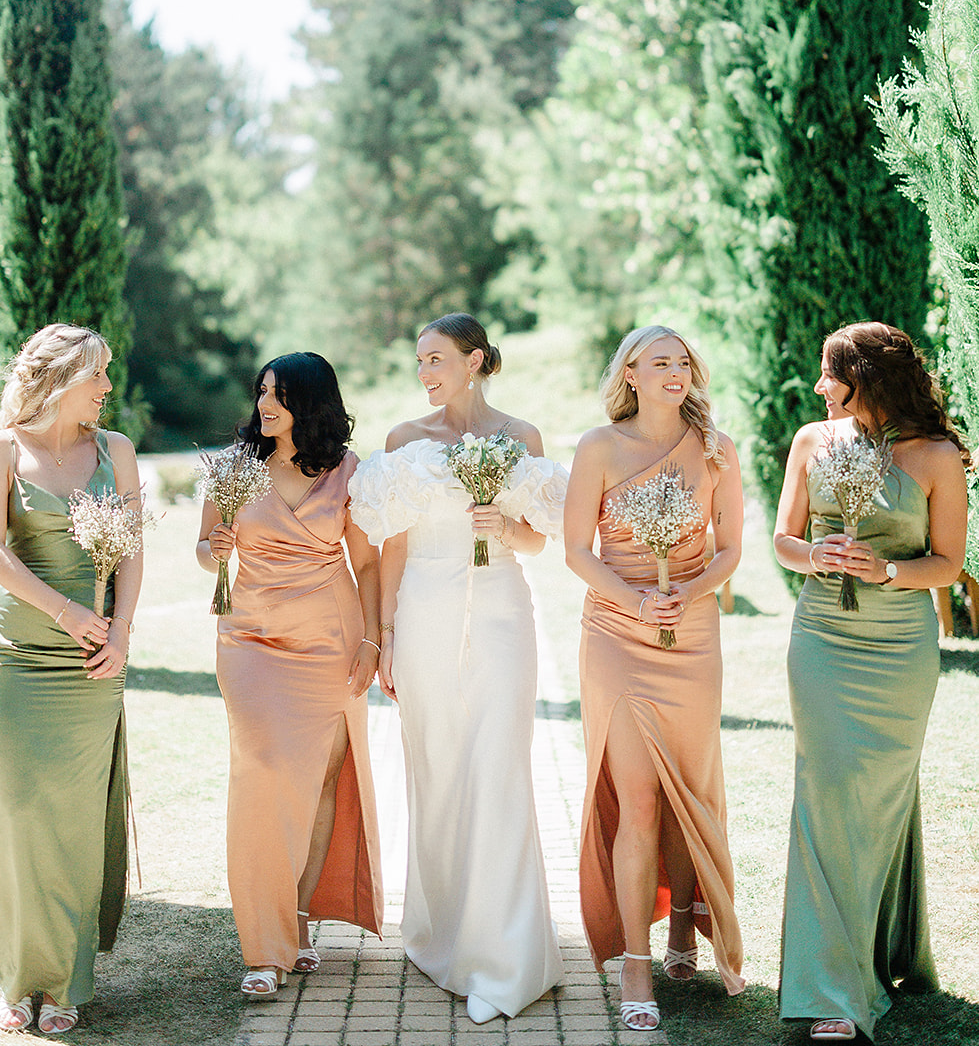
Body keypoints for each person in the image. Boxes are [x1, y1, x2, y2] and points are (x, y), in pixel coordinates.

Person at [348, 312, 566, 1025]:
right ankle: (444, 935)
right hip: (424, 616)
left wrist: (506, 529)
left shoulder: (522, 437)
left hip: (503, 610)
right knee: (437, 769)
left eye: (437, 358)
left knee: (497, 767)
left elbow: (539, 541)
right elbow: (391, 548)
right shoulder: (403, 441)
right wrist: (382, 634)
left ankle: (506, 956)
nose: (425, 373)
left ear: (474, 361)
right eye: (420, 362)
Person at [773, 321, 968, 1042]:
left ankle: (884, 952)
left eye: (829, 374)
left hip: (897, 648)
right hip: (822, 636)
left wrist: (885, 569)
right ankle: (832, 990)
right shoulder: (809, 442)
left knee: (881, 800)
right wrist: (816, 555)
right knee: (824, 794)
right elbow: (782, 541)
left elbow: (946, 562)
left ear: (865, 379)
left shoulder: (936, 455)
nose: (819, 387)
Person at [564, 324, 745, 1033]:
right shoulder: (597, 447)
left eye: (683, 361)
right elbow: (577, 550)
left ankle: (682, 934)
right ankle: (636, 958)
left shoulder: (716, 448)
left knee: (686, 789)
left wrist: (689, 592)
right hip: (616, 627)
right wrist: (635, 598)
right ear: (630, 374)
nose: (674, 371)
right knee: (639, 798)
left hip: (692, 631)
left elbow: (730, 549)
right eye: (659, 361)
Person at [197, 352, 383, 999]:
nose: (265, 404)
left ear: (312, 402)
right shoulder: (234, 467)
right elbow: (203, 548)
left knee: (320, 779)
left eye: (279, 394)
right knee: (261, 772)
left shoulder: (348, 471)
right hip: (248, 639)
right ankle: (261, 945)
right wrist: (212, 549)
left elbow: (369, 563)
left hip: (328, 642)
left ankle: (298, 920)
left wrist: (372, 640)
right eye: (262, 392)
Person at [0, 324, 142, 1036]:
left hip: (91, 663)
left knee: (72, 822)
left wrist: (121, 633)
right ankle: (19, 980)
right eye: (98, 376)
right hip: (15, 655)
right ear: (62, 378)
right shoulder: (1, 449)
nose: (107, 389)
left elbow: (131, 552)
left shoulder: (118, 451)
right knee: (20, 812)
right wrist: (66, 608)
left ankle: (66, 983)